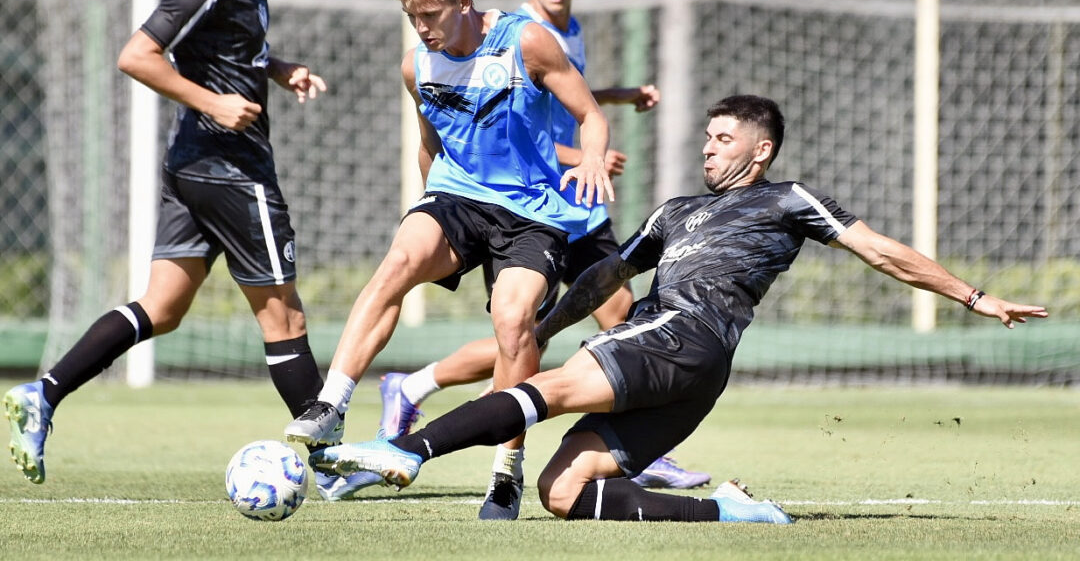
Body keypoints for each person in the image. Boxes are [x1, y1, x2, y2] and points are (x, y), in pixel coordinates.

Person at [310, 94, 1048, 524]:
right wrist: (546, 325)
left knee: (551, 390)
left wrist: (975, 297)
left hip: (682, 336)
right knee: (563, 492)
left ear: (760, 151)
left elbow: (882, 251)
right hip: (689, 371)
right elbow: (608, 274)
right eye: (707, 136)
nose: (708, 148)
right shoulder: (675, 211)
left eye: (724, 139)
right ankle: (730, 510)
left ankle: (404, 452)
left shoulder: (788, 200)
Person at [0, 0, 359, 498]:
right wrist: (215, 103)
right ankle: (332, 466)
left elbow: (224, 51)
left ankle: (44, 393)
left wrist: (277, 69)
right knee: (284, 315)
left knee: (161, 308)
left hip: (190, 167)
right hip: (232, 172)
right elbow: (136, 55)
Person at [373, 0, 704, 519]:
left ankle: (623, 448)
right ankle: (431, 394)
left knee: (588, 318)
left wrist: (619, 98)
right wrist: (581, 155)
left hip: (576, 200)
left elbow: (569, 98)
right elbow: (502, 136)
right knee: (531, 327)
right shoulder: (504, 34)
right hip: (535, 204)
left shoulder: (566, 32)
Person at [282, 0, 613, 514]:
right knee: (399, 260)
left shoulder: (527, 42)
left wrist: (590, 158)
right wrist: (428, 207)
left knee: (514, 323)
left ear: (463, 2)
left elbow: (591, 115)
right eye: (411, 16)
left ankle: (506, 470)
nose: (421, 27)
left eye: (429, 14)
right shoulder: (417, 65)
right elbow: (429, 143)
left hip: (532, 211)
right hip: (458, 196)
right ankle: (332, 404)